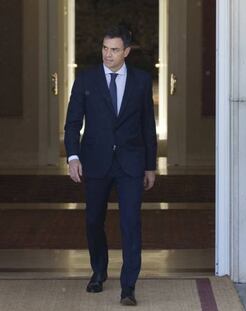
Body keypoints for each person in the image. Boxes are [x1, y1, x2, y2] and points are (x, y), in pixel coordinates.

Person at [64, 25, 157, 306]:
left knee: (130, 223)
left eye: (114, 49)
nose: (108, 54)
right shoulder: (86, 79)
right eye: (105, 48)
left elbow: (147, 126)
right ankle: (99, 271)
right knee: (94, 221)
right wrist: (73, 157)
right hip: (95, 161)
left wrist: (150, 166)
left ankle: (128, 286)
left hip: (130, 163)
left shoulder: (141, 81)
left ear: (126, 51)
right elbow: (72, 123)